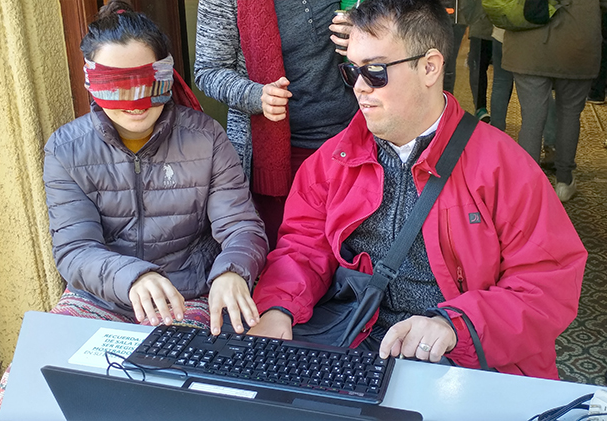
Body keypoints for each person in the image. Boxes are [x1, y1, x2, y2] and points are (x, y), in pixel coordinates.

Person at [248, 0, 587, 380]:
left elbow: (547, 283)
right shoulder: (332, 160)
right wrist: (278, 307)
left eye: (375, 71)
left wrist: (455, 326)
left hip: (462, 356)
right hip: (355, 340)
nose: (359, 87)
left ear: (429, 67)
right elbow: (303, 247)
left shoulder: (504, 167)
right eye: (352, 71)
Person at [43, 0, 268, 335]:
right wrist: (133, 277)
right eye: (116, 84)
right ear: (91, 81)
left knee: (180, 366)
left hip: (188, 292)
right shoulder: (65, 149)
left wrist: (232, 271)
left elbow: (241, 226)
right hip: (100, 297)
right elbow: (75, 248)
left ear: (167, 75)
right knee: (38, 364)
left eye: (147, 82)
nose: (135, 101)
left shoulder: (206, 138)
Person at [194, 0, 359, 248]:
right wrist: (256, 95)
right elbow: (208, 70)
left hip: (353, 141)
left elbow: (391, 29)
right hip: (279, 156)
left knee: (354, 252)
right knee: (291, 255)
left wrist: (363, 33)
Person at [502, 0, 605, 202]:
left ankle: (527, 184)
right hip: (577, 39)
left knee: (531, 119)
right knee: (570, 114)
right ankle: (564, 181)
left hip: (528, 43)